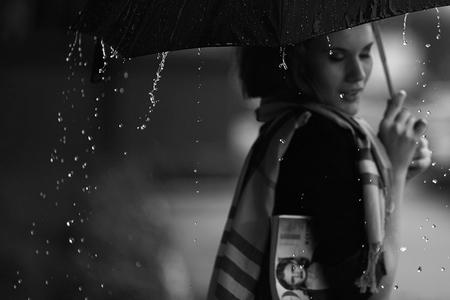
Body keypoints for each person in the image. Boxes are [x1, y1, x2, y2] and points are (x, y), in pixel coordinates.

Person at [207, 24, 432, 300]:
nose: (358, 74)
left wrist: (393, 166)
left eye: (365, 54)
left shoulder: (288, 126)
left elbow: (330, 214)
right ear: (298, 62)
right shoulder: (322, 138)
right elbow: (370, 290)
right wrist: (394, 172)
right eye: (337, 56)